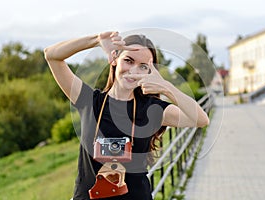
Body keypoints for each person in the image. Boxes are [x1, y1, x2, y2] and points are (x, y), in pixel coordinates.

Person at [44, 31, 209, 200]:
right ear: (114, 59)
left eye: (143, 66)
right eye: (128, 61)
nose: (133, 71)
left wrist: (166, 87)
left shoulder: (152, 110)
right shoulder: (89, 101)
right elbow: (51, 55)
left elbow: (201, 119)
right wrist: (96, 40)